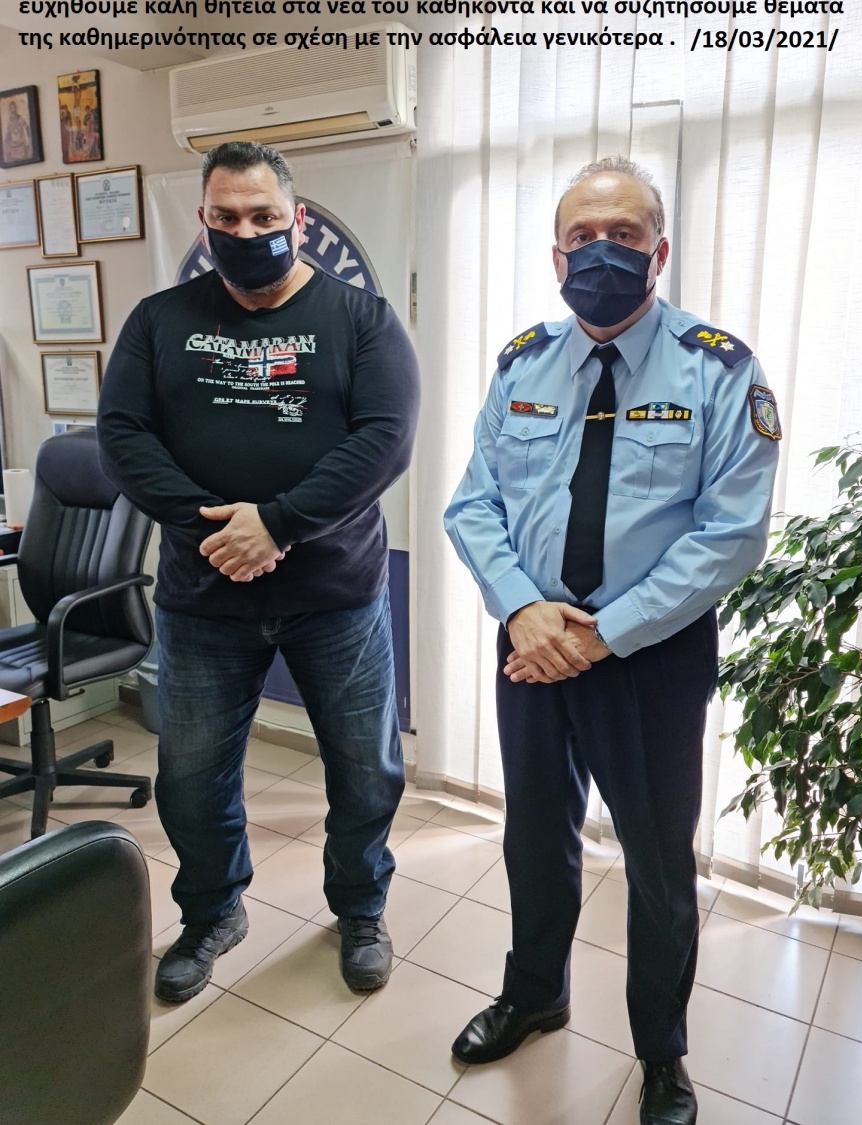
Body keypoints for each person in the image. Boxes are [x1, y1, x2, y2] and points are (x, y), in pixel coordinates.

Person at [443, 157, 780, 1125]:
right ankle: (534, 992)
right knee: (533, 834)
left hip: (651, 655)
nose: (601, 253)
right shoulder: (523, 364)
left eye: (623, 236)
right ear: (556, 256)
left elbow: (730, 535)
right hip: (532, 642)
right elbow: (474, 505)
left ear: (658, 251)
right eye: (582, 238)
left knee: (658, 862)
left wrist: (606, 635)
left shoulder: (719, 369)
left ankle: (662, 1053)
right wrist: (522, 608)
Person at [98, 140, 420, 1003]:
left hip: (336, 595)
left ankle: (360, 909)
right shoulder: (159, 320)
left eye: (265, 216)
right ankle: (211, 913)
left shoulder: (362, 319)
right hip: (204, 595)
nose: (247, 233)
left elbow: (384, 440)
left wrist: (275, 524)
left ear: (298, 220)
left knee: (365, 770)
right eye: (228, 217)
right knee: (191, 777)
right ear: (203, 219)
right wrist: (218, 528)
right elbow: (123, 436)